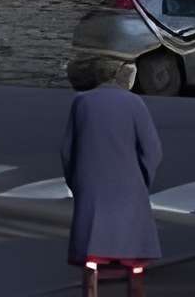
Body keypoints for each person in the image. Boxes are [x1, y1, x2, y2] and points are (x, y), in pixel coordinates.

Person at [62, 54, 164, 292]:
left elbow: (67, 151)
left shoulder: (82, 102)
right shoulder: (135, 103)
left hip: (92, 188)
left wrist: (77, 183)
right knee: (134, 260)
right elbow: (152, 150)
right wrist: (142, 181)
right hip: (129, 189)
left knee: (91, 257)